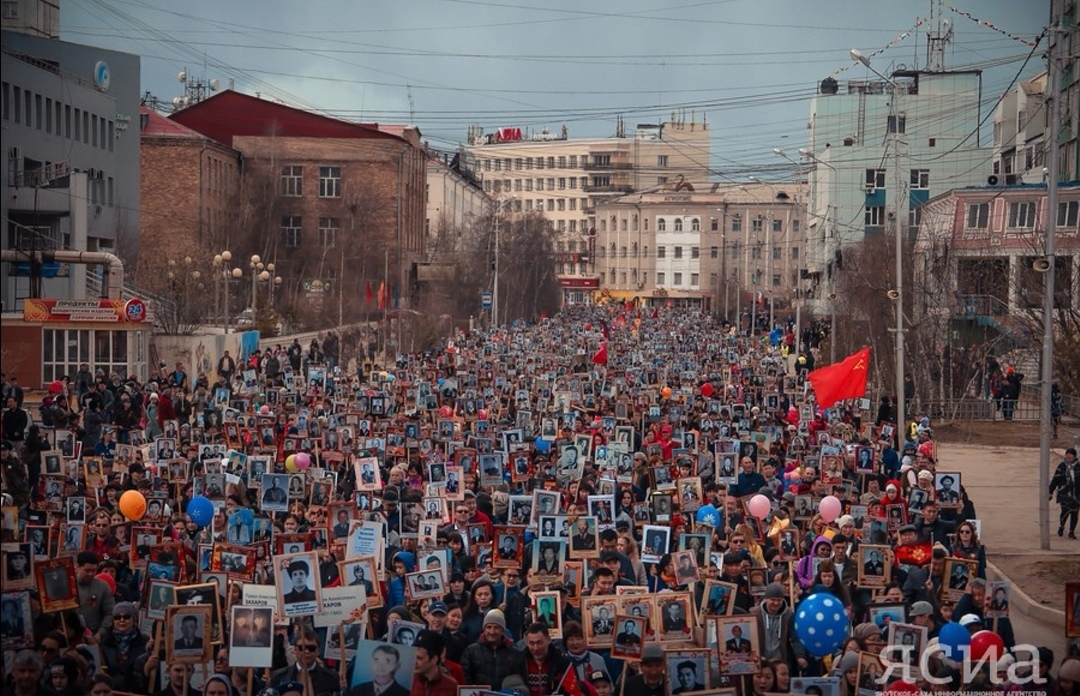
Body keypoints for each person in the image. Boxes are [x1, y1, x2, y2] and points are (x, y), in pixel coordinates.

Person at [1050, 448, 1080, 540]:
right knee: (1065, 511)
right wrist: (1050, 491)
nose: (1069, 456)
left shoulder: (1079, 466)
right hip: (1065, 494)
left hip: (1077, 494)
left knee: (1075, 514)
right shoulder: (1061, 466)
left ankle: (1071, 532)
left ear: (1075, 456)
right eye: (1067, 454)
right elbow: (1055, 480)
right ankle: (1062, 526)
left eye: (1071, 454)